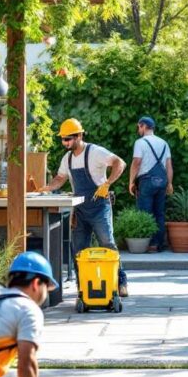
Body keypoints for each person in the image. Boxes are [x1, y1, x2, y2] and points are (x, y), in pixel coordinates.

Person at [39, 118, 129, 297]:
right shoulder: (68, 159)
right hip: (80, 210)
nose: (65, 143)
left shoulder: (95, 152)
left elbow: (120, 163)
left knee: (107, 243)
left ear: (79, 136)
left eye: (68, 139)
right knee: (78, 249)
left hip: (99, 207)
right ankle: (84, 286)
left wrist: (108, 183)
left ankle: (120, 282)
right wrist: (47, 188)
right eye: (63, 139)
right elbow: (60, 178)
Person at [128, 116, 173, 252]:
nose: (138, 129)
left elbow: (136, 162)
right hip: (162, 180)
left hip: (146, 181)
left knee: (145, 212)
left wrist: (131, 182)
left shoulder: (140, 142)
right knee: (159, 213)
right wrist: (170, 183)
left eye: (139, 127)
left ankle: (148, 244)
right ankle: (157, 243)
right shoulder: (164, 143)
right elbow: (169, 165)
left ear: (143, 126)